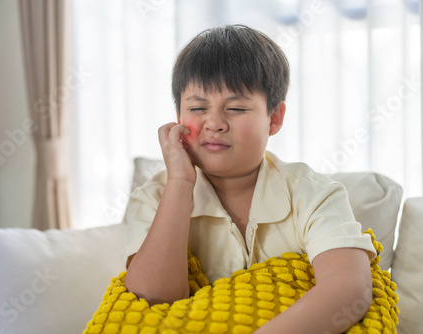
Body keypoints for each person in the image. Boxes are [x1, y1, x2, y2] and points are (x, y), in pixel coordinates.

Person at [123, 24, 376, 334]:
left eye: (236, 108)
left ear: (274, 118)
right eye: (198, 108)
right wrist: (179, 184)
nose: (214, 123)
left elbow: (350, 288)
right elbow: (151, 300)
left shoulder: (314, 194)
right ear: (178, 118)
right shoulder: (153, 197)